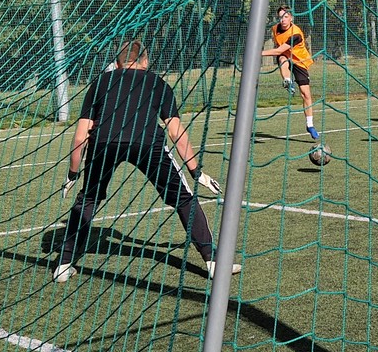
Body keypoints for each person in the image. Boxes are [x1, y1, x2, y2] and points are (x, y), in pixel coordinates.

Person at [53, 39, 240, 283]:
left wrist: (72, 173)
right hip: (147, 143)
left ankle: (63, 265)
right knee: (183, 198)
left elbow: (81, 136)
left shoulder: (100, 83)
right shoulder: (157, 83)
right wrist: (196, 171)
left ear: (117, 63)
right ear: (146, 60)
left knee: (88, 198)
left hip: (103, 143)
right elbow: (175, 132)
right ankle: (213, 261)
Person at [262, 7, 320, 139]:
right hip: (285, 55)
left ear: (291, 18)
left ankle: (310, 125)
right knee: (282, 59)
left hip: (299, 60)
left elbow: (277, 50)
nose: (283, 20)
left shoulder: (296, 34)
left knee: (306, 94)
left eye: (286, 17)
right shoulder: (275, 28)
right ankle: (287, 80)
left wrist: (257, 52)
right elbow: (280, 51)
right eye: (280, 17)